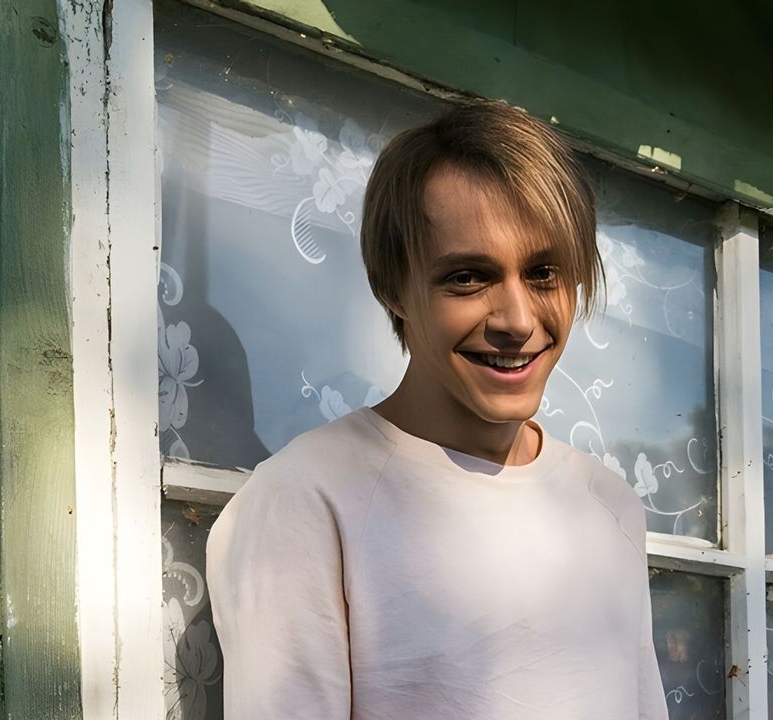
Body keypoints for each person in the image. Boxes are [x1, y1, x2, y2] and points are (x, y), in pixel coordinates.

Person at [206, 99, 668, 719]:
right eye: (468, 278)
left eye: (543, 273)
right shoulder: (307, 501)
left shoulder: (609, 504)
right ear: (392, 287)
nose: (517, 321)